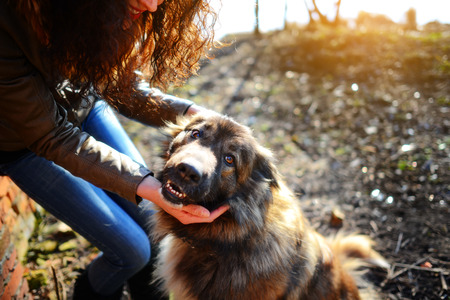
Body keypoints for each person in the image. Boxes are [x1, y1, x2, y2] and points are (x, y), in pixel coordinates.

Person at [0, 0, 229, 298]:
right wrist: (148, 187)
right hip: (26, 145)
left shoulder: (120, 11)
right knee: (132, 251)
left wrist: (191, 112)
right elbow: (51, 136)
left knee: (152, 227)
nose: (151, 5)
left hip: (86, 106)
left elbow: (123, 87)